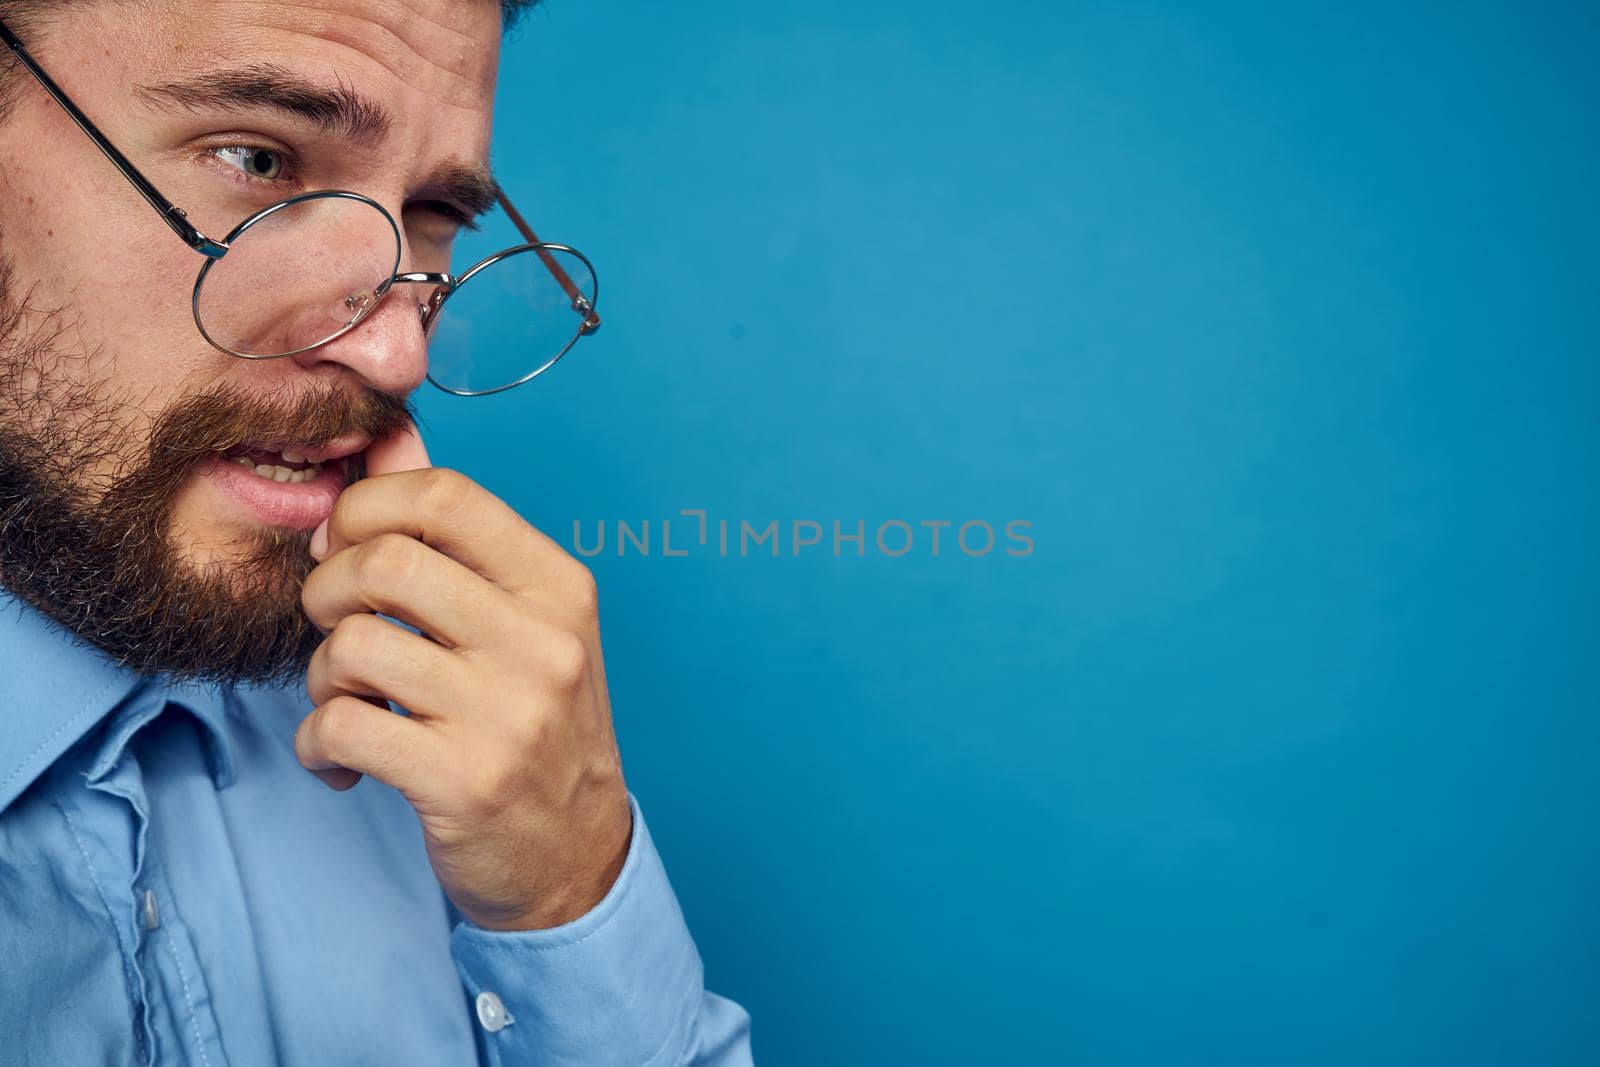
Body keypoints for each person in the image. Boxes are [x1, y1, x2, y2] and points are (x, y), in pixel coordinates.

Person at [0, 1, 753, 1063]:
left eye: (437, 206)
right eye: (258, 158)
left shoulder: (419, 744)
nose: (395, 354)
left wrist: (571, 899)